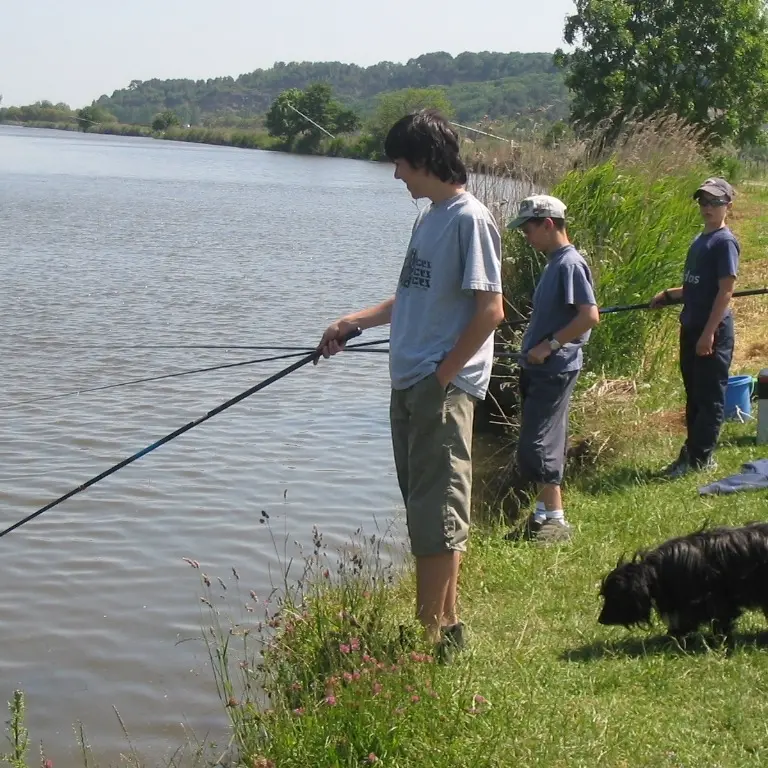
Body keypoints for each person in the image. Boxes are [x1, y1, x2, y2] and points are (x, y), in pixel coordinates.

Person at [317, 110, 504, 655]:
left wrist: (443, 377)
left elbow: (491, 310)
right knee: (429, 508)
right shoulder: (432, 218)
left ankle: (429, 640)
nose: (396, 175)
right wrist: (354, 322)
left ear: (423, 160)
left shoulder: (470, 219)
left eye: (400, 163)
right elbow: (414, 300)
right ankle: (446, 627)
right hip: (413, 384)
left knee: (435, 513)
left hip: (437, 389)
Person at [505, 195, 599, 544]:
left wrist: (549, 345)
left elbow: (589, 316)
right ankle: (544, 514)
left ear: (547, 224)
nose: (525, 237)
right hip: (543, 368)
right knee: (546, 439)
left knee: (538, 442)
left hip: (555, 368)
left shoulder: (569, 263)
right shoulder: (554, 262)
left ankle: (556, 521)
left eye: (528, 229)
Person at [650, 177, 739, 478]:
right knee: (694, 394)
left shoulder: (725, 242)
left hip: (710, 331)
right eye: (703, 201)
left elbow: (725, 292)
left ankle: (701, 460)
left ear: (728, 204)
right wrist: (669, 295)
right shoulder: (701, 239)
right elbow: (696, 286)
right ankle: (692, 452)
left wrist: (709, 333)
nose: (707, 207)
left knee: (710, 396)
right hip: (691, 327)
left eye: (714, 201)